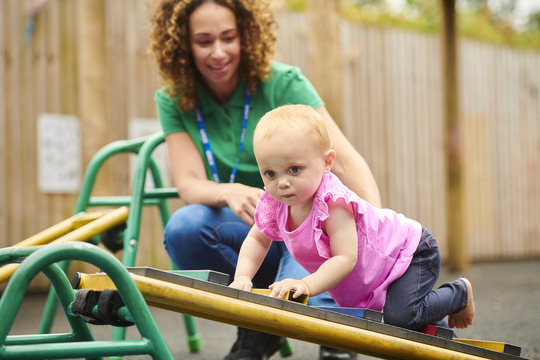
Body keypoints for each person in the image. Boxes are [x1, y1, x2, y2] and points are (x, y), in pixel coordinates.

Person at [149, 1, 380, 359]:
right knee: (183, 227)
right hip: (253, 230)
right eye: (204, 41)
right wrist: (226, 190)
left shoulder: (283, 82)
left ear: (246, 34)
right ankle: (258, 323)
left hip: (308, 228)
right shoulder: (175, 99)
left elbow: (347, 163)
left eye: (228, 37)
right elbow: (188, 182)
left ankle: (330, 331)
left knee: (310, 283)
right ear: (182, 43)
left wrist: (374, 231)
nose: (218, 52)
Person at [229, 104, 476, 333]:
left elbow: (345, 257)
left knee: (399, 318)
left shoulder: (333, 203)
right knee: (405, 322)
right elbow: (257, 239)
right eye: (270, 173)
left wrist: (306, 284)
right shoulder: (276, 204)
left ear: (326, 162)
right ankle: (434, 321)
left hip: (409, 253)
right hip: (377, 271)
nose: (282, 182)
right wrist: (242, 276)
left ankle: (458, 293)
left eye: (294, 169)